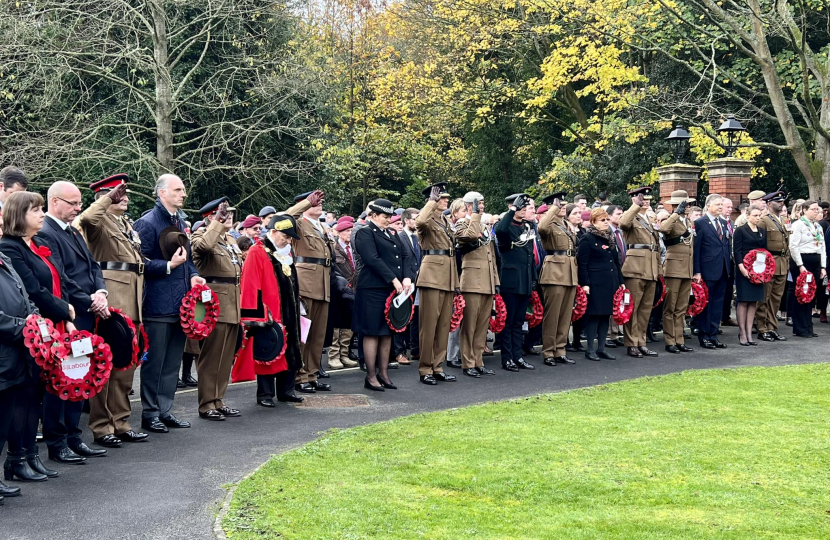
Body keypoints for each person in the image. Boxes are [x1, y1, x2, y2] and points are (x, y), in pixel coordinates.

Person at [0, 191, 74, 485]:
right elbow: (33, 289)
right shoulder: (10, 247)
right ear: (20, 216)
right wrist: (32, 323)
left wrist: (61, 315)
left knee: (33, 397)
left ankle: (29, 456)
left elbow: (57, 281)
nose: (42, 214)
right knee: (20, 399)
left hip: (41, 329)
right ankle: (17, 459)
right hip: (22, 335)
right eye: (36, 210)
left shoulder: (39, 243)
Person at [37, 181, 110, 461]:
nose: (78, 208)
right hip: (68, 314)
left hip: (86, 311)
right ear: (55, 202)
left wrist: (101, 292)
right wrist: (89, 300)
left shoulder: (72, 230)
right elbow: (61, 277)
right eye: (73, 203)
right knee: (62, 380)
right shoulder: (47, 232)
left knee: (79, 377)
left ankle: (73, 436)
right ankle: (58, 441)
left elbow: (93, 265)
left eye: (79, 203)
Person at [77, 176, 149, 447]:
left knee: (125, 366)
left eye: (125, 192)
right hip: (112, 302)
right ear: (103, 195)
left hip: (133, 300)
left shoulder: (125, 224)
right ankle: (101, 425)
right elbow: (85, 219)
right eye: (119, 192)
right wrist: (107, 199)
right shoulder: (99, 219)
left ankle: (121, 421)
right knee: (105, 366)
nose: (125, 196)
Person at [133, 174, 204, 433]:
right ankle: (150, 413)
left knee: (173, 361)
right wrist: (167, 266)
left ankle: (164, 410)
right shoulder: (146, 223)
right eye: (178, 190)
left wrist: (194, 275)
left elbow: (189, 259)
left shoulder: (181, 222)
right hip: (157, 305)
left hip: (181, 304)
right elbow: (139, 263)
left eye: (183, 189)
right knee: (155, 362)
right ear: (162, 193)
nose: (183, 194)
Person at [238, 215, 304, 406]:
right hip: (269, 312)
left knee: (290, 348)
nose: (288, 240)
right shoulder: (256, 252)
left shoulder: (285, 252)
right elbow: (250, 285)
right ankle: (265, 394)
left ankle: (287, 390)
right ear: (273, 232)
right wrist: (257, 315)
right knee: (268, 351)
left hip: (289, 309)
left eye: (290, 238)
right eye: (285, 236)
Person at [352, 199, 413, 390]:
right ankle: (371, 376)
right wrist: (393, 279)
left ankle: (384, 373)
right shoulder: (365, 232)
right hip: (372, 289)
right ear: (374, 216)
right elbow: (372, 259)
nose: (388, 220)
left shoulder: (392, 233)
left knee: (387, 332)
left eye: (389, 217)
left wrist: (406, 278)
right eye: (385, 217)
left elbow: (404, 257)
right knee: (372, 332)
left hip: (391, 290)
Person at [190, 198, 243, 421]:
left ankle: (218, 400)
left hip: (233, 300)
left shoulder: (229, 239)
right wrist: (216, 224)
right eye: (222, 214)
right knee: (211, 357)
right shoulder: (200, 236)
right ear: (210, 217)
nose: (228, 217)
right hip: (214, 303)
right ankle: (206, 404)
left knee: (226, 356)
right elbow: (203, 248)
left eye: (229, 214)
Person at [285, 190, 334, 393]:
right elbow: (286, 217)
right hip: (306, 283)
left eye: (320, 201)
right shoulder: (299, 223)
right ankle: (300, 375)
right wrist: (306, 202)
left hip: (323, 284)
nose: (318, 204)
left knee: (318, 334)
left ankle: (312, 374)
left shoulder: (322, 226)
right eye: (314, 203)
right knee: (303, 334)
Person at [415, 183, 459, 385]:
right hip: (432, 276)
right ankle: (425, 369)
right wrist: (431, 202)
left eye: (444, 198)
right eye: (442, 197)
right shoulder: (428, 218)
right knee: (429, 325)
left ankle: (438, 366)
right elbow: (420, 221)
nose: (446, 200)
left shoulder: (445, 220)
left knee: (443, 325)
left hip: (447, 276)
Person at [455, 192, 498, 378]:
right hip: (471, 281)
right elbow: (469, 237)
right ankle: (468, 363)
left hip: (487, 280)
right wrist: (473, 215)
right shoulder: (462, 223)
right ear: (468, 206)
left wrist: (495, 281)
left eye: (482, 203)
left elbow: (492, 257)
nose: (481, 206)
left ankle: (478, 360)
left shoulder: (484, 225)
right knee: (469, 325)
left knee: (482, 325)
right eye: (477, 203)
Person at [494, 194, 537, 372]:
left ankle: (518, 356)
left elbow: (530, 256)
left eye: (525, 207)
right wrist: (511, 210)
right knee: (508, 322)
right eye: (522, 207)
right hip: (511, 281)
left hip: (525, 279)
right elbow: (501, 231)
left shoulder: (526, 226)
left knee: (520, 322)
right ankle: (507, 358)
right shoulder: (505, 225)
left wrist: (533, 279)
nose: (525, 211)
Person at [619, 187, 661, 358]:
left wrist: (659, 270)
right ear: (633, 200)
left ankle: (641, 341)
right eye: (642, 198)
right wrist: (635, 206)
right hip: (635, 268)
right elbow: (623, 223)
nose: (646, 201)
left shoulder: (650, 219)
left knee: (645, 309)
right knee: (633, 308)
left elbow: (655, 247)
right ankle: (631, 343)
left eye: (648, 199)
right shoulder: (631, 216)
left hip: (650, 268)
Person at [577, 208, 624, 360]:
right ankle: (590, 349)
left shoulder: (609, 237)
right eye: (602, 220)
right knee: (594, 316)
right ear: (593, 222)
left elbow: (616, 262)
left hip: (610, 281)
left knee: (606, 315)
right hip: (595, 283)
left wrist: (621, 281)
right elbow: (582, 263)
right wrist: (585, 283)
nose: (606, 223)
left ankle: (601, 348)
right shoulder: (587, 238)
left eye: (606, 220)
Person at [538, 191, 577, 366]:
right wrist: (553, 209)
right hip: (554, 273)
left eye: (563, 204)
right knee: (552, 315)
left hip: (569, 272)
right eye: (559, 204)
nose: (563, 207)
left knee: (564, 314)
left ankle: (560, 349)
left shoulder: (565, 224)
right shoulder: (549, 222)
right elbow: (542, 228)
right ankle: (548, 351)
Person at [692, 194, 732, 349]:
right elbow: (697, 249)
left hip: (722, 268)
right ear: (708, 206)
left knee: (717, 304)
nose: (720, 207)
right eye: (717, 204)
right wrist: (697, 271)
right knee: (706, 304)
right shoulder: (700, 223)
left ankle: (713, 335)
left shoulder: (723, 222)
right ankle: (704, 336)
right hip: (707, 269)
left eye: (722, 204)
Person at [659, 191, 696, 354]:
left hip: (686, 269)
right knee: (670, 307)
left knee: (681, 308)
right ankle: (669, 340)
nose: (688, 207)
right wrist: (675, 214)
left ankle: (679, 339)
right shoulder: (672, 220)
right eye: (685, 205)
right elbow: (663, 229)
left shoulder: (686, 221)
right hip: (673, 269)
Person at [788, 200, 826, 338]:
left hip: (815, 260)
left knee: (811, 294)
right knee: (801, 294)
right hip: (802, 260)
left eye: (818, 209)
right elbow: (793, 246)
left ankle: (808, 326)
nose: (817, 212)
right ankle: (800, 328)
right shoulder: (798, 225)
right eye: (814, 209)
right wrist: (800, 265)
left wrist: (823, 266)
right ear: (804, 210)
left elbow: (822, 247)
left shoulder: (817, 226)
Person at [757, 192, 790, 342]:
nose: (781, 203)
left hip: (782, 263)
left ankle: (772, 327)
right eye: (778, 202)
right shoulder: (763, 221)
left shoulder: (781, 220)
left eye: (782, 201)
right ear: (769, 204)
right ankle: (762, 328)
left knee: (776, 298)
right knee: (765, 297)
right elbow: (760, 245)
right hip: (770, 263)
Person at [732, 205, 767, 346]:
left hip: (758, 271)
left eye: (759, 215)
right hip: (744, 270)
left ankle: (749, 332)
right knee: (744, 300)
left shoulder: (762, 232)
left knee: (753, 301)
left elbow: (765, 251)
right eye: (755, 215)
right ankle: (742, 333)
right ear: (747, 216)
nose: (758, 218)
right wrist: (741, 267)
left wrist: (764, 270)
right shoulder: (740, 230)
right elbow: (737, 250)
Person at [330, 217, 358, 369]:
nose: (350, 233)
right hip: (339, 290)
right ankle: (334, 355)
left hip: (354, 290)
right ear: (339, 233)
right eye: (347, 231)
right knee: (337, 325)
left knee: (349, 324)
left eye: (351, 231)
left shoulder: (354, 247)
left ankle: (344, 354)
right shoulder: (334, 249)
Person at [395, 208, 421, 363]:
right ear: (406, 220)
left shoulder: (419, 238)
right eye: (415, 219)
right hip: (405, 283)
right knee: (402, 318)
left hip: (419, 282)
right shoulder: (399, 237)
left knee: (417, 317)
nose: (417, 221)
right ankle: (400, 352)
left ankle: (416, 349)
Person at [720, 197, 738, 327]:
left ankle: (725, 316)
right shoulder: (718, 223)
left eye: (731, 207)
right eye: (728, 207)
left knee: (728, 290)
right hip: (720, 261)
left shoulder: (731, 223)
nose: (730, 210)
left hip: (731, 261)